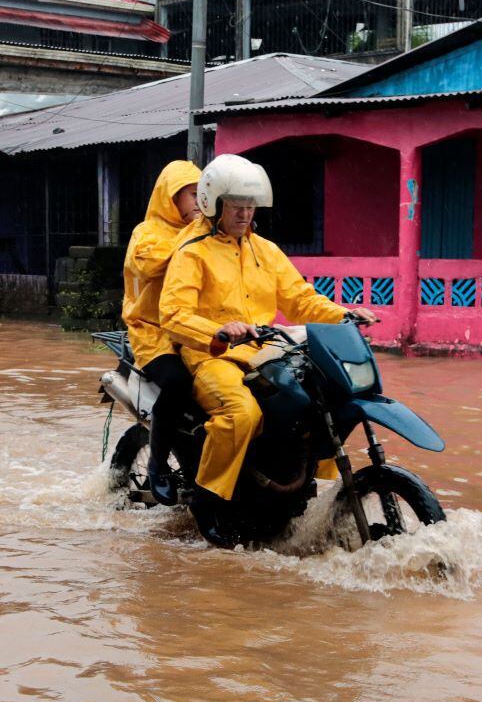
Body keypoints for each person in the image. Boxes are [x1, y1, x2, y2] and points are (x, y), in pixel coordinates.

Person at [159, 154, 378, 505]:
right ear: (213, 205)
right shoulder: (192, 253)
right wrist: (219, 330)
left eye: (250, 207)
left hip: (266, 352)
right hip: (213, 356)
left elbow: (301, 300)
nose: (244, 215)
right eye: (235, 207)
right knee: (241, 414)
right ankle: (208, 498)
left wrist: (343, 314)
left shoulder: (267, 251)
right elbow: (172, 314)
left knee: (321, 397)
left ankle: (303, 484)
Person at [121, 160, 202, 506]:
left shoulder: (207, 235)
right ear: (171, 198)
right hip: (152, 333)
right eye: (193, 195)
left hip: (195, 330)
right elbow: (149, 265)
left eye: (205, 195)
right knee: (179, 383)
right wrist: (194, 231)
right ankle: (157, 464)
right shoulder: (147, 233)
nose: (200, 202)